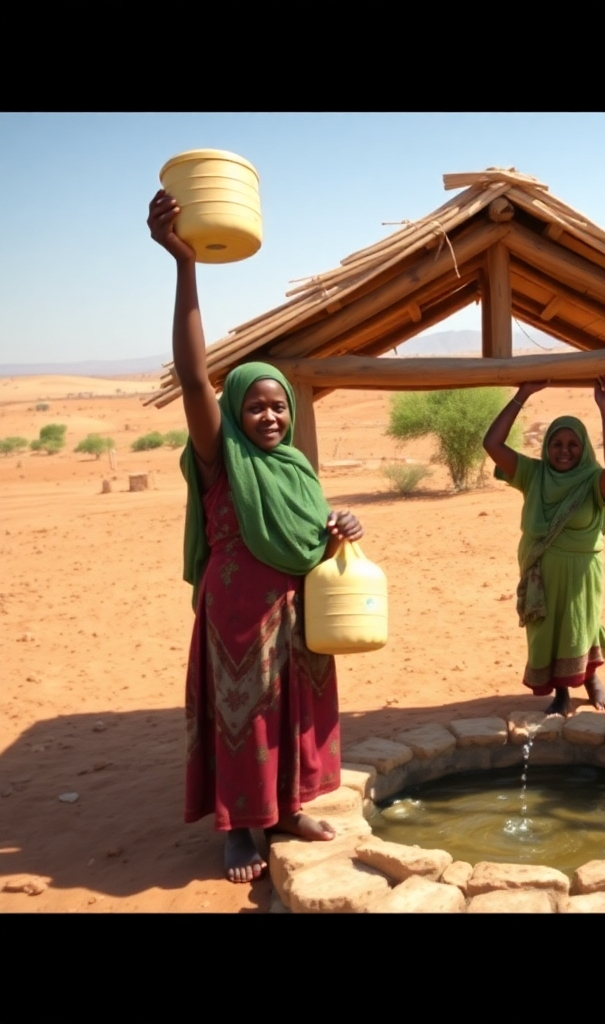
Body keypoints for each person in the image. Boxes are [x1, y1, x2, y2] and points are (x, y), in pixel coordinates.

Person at [148, 190, 365, 883]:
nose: (269, 417)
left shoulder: (295, 466)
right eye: (255, 406)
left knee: (295, 714)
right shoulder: (221, 458)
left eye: (278, 405)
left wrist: (344, 528)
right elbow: (191, 377)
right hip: (238, 617)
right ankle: (241, 829)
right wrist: (185, 266)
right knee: (244, 716)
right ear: (234, 412)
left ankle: (286, 810)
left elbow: (313, 533)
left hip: (298, 617)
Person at [483, 377, 605, 716]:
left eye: (573, 444)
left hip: (581, 572)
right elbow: (492, 443)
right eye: (556, 443)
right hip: (540, 572)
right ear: (546, 447)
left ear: (584, 448)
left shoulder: (593, 480)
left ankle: (590, 678)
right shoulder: (533, 474)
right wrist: (522, 393)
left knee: (581, 623)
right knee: (546, 629)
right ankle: (561, 692)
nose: (564, 450)